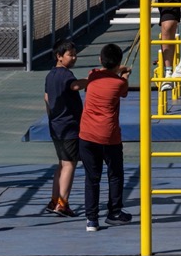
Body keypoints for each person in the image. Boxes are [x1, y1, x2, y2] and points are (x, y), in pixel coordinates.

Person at [78, 43, 132, 233]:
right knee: (115, 174)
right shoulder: (119, 83)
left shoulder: (93, 75)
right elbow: (123, 89)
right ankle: (114, 212)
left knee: (92, 178)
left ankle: (91, 219)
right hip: (109, 136)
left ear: (101, 60)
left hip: (86, 134)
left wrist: (119, 71)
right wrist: (124, 74)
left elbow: (105, 73)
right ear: (117, 63)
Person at [42, 39, 83, 217]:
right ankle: (62, 203)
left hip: (56, 125)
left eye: (75, 54)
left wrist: (52, 117)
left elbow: (46, 98)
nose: (73, 58)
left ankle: (54, 200)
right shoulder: (66, 75)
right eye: (70, 55)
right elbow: (75, 86)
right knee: (69, 165)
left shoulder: (50, 75)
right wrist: (91, 80)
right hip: (69, 126)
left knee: (61, 164)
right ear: (59, 56)